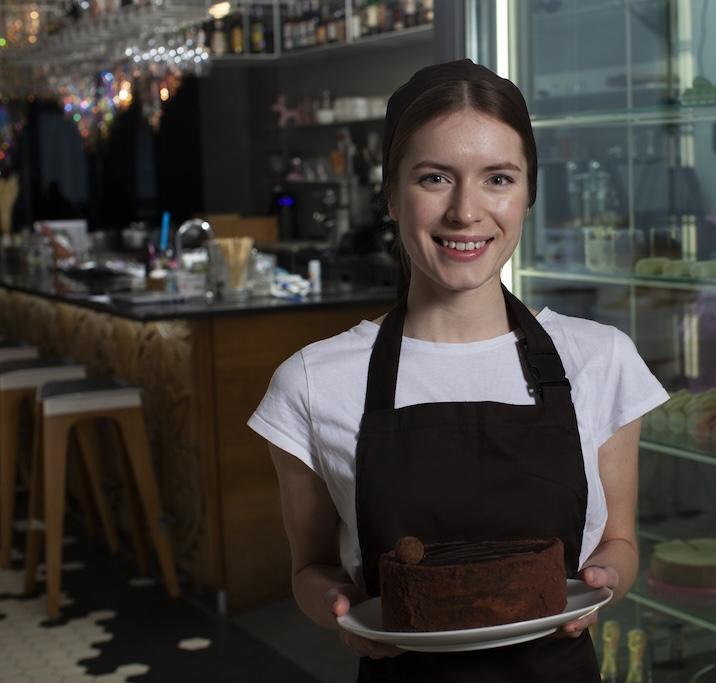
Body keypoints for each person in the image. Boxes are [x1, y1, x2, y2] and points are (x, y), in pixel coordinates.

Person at [248, 59, 668, 682]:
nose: (466, 212)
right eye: (435, 178)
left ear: (527, 195)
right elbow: (311, 570)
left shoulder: (601, 360)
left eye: (498, 178)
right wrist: (339, 610)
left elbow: (620, 545)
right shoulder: (311, 383)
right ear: (391, 196)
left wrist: (608, 578)